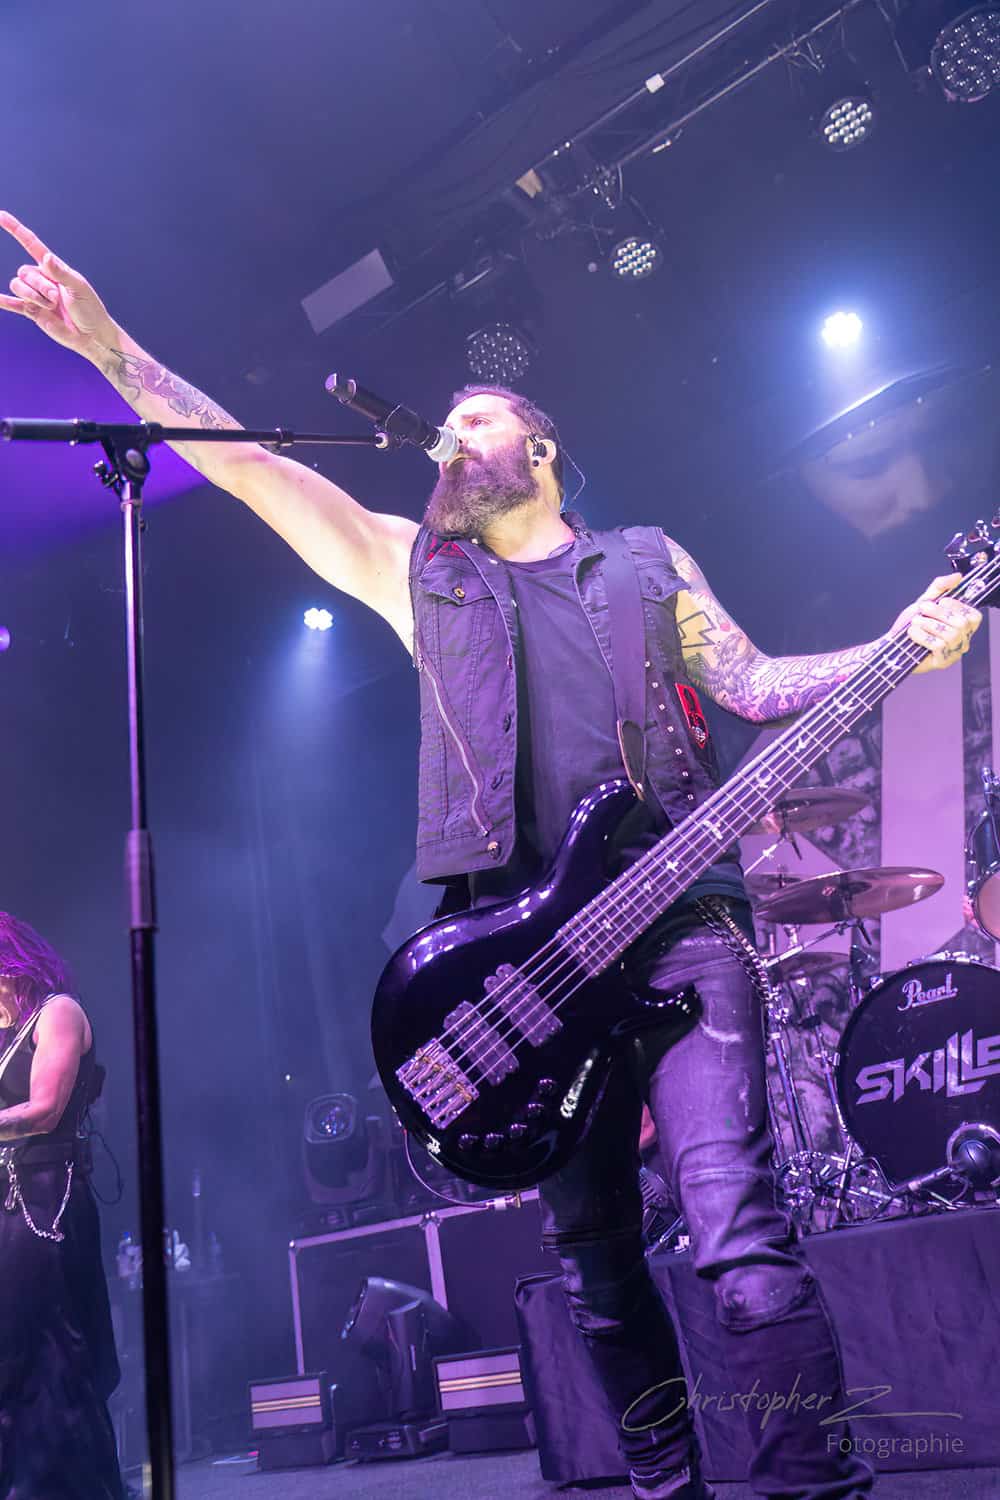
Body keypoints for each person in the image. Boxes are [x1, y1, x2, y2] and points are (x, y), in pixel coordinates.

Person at [0, 212, 982, 1500]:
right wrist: (107, 347)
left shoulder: (643, 566)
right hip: (523, 958)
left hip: (682, 928)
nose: (454, 435)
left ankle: (813, 1482)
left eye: (479, 417)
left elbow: (751, 683)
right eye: (449, 421)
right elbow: (245, 467)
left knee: (739, 1239)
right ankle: (665, 1487)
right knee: (597, 1262)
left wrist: (898, 642)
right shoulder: (418, 575)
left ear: (542, 449)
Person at [0, 909, 124, 1500]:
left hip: (46, 1198)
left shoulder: (58, 1013)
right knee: (11, 1351)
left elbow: (45, 1109)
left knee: (52, 1347)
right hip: (9, 1200)